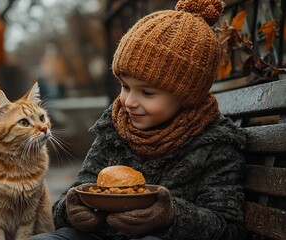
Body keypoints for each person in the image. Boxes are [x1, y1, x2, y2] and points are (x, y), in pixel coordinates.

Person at [30, 0, 247, 239]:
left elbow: (227, 226)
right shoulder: (115, 128)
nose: (129, 101)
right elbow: (77, 192)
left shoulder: (215, 144)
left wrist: (171, 216)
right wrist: (72, 211)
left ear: (186, 96)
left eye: (147, 92)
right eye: (125, 86)